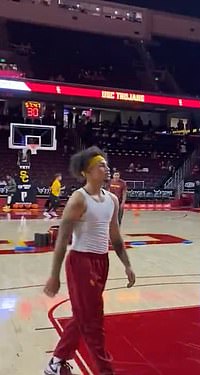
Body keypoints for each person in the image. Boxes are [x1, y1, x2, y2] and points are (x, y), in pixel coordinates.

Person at [43, 146, 136, 375]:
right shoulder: (78, 199)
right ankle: (105, 370)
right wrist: (54, 275)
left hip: (101, 262)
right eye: (100, 165)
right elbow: (63, 238)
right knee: (93, 320)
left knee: (83, 315)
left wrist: (127, 264)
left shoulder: (112, 199)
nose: (106, 168)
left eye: (106, 164)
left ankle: (56, 363)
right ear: (86, 171)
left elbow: (115, 236)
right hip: (80, 263)